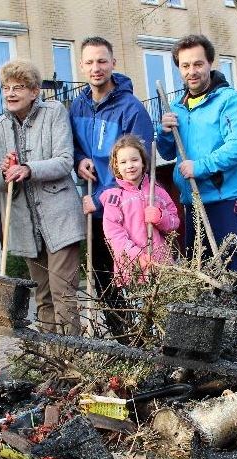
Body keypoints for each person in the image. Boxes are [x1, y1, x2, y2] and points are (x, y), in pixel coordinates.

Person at [156, 34, 237, 331]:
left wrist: (201, 167)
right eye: (185, 66)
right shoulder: (177, 108)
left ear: (209, 64)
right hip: (192, 203)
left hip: (226, 201)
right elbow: (167, 152)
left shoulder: (230, 102)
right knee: (204, 276)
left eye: (198, 64)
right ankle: (219, 341)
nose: (191, 71)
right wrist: (164, 131)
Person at [0, 60, 84, 335]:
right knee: (42, 296)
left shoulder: (54, 112)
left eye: (18, 87)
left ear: (34, 91)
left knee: (62, 293)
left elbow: (65, 161)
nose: (10, 93)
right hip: (26, 225)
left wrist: (28, 169)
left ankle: (73, 355)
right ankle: (51, 355)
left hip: (60, 219)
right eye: (6, 88)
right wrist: (6, 172)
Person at [69, 37, 155, 334]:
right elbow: (71, 146)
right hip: (94, 211)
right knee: (104, 281)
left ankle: (144, 339)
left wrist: (103, 198)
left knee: (133, 277)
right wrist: (79, 160)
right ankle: (124, 341)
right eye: (90, 62)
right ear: (81, 66)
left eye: (102, 61)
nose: (96, 68)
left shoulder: (132, 109)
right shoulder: (77, 106)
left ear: (113, 64)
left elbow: (138, 166)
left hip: (125, 212)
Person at [101, 134, 180, 287]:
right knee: (140, 303)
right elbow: (114, 235)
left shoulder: (157, 191)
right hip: (133, 271)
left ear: (143, 161)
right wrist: (137, 257)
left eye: (134, 160)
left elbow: (174, 222)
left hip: (161, 266)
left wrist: (161, 217)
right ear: (116, 166)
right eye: (123, 162)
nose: (130, 165)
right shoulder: (115, 198)